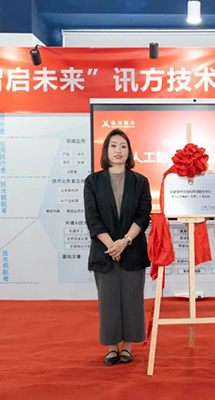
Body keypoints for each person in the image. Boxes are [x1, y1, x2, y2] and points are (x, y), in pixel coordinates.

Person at [84, 129, 152, 366]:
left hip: (132, 248)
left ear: (129, 151)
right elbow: (92, 218)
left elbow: (143, 216)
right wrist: (111, 245)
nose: (118, 151)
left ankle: (128, 348)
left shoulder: (140, 181)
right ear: (106, 150)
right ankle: (112, 348)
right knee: (108, 300)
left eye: (123, 146)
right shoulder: (93, 181)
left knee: (133, 300)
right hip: (104, 251)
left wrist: (125, 241)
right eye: (113, 146)